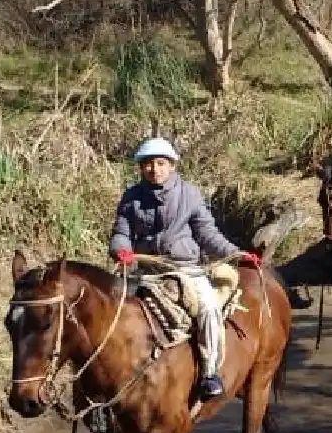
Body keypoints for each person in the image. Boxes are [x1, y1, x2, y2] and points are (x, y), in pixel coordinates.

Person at [109, 137, 259, 401]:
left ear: (172, 165)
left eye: (160, 163)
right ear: (141, 168)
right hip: (147, 271)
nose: (154, 169)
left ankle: (210, 373)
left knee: (208, 309)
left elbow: (208, 234)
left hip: (186, 269)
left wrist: (236, 254)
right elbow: (121, 232)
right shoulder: (131, 197)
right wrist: (121, 249)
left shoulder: (189, 194)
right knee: (113, 310)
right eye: (148, 164)